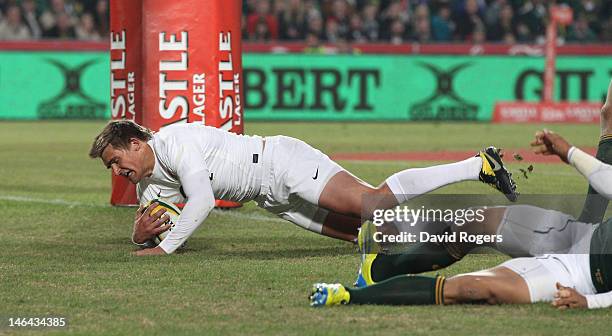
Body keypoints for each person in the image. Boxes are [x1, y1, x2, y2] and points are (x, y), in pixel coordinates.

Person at [310, 81, 612, 309]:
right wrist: (570, 153)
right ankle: (380, 268)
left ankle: (349, 295)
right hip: (577, 236)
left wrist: (589, 302)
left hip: (581, 277)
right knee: (474, 222)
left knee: (472, 289)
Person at [89, 120, 517, 256]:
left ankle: (476, 165)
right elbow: (149, 224)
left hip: (282, 164)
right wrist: (140, 235)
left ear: (136, 143)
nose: (117, 171)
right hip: (270, 196)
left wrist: (162, 250)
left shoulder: (176, 143)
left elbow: (201, 200)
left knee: (374, 203)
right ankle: (470, 232)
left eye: (116, 161)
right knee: (367, 235)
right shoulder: (149, 180)